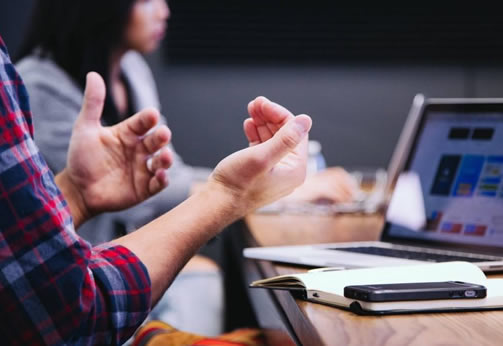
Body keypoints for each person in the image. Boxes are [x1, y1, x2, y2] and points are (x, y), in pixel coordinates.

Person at [15, 0, 355, 334]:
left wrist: (254, 184)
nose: (164, 10)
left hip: (116, 264)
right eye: (148, 0)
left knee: (205, 278)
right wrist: (260, 192)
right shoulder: (39, 85)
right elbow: (151, 197)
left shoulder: (131, 69)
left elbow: (164, 176)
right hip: (76, 288)